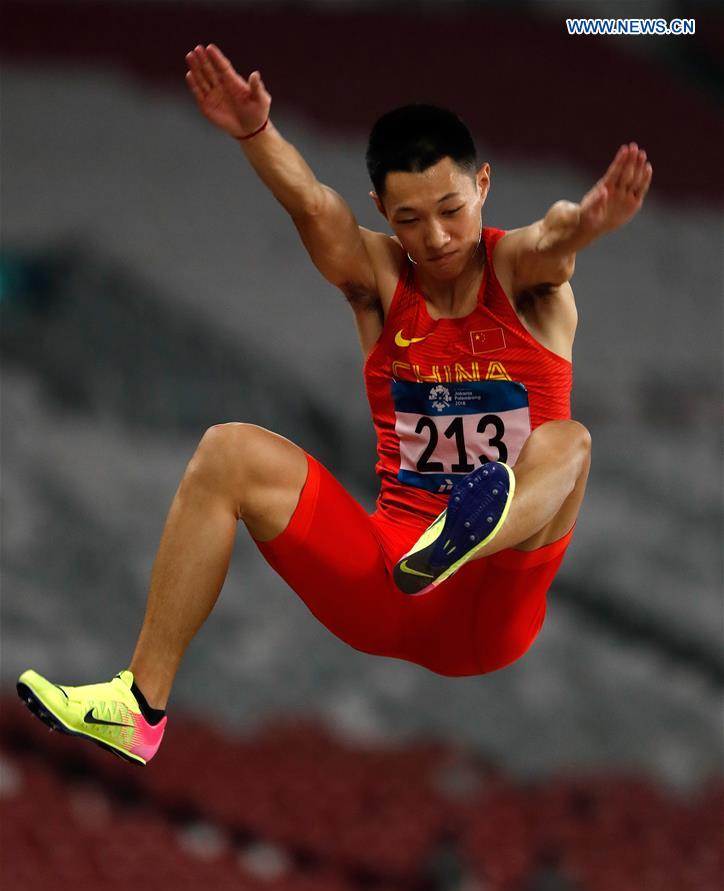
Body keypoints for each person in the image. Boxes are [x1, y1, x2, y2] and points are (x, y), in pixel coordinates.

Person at [17, 44, 652, 766]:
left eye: (451, 209)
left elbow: (560, 233)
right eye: (410, 219)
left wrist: (597, 218)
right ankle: (138, 705)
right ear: (384, 209)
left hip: (491, 610)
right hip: (389, 579)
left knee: (569, 441)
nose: (436, 237)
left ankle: (471, 532)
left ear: (483, 185)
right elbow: (316, 205)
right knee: (227, 450)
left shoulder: (524, 276)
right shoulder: (382, 281)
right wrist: (256, 134)